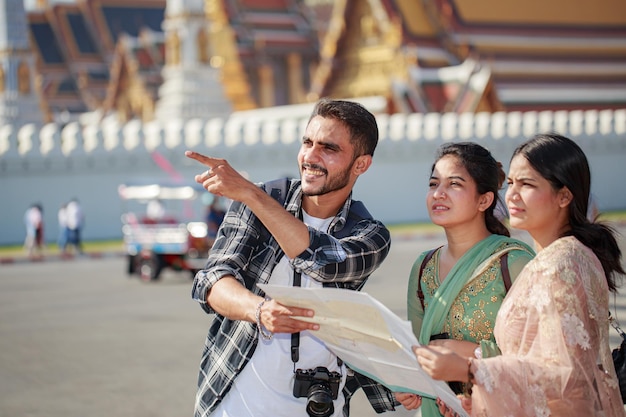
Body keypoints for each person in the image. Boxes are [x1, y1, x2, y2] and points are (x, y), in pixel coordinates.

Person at [185, 98, 396, 417]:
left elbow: (317, 258)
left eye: (329, 148)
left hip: (320, 405)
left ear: (360, 165)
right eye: (307, 142)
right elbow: (211, 281)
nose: (310, 156)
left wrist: (252, 194)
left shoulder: (369, 234)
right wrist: (259, 310)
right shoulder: (257, 201)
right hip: (233, 405)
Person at [414, 133, 626, 417]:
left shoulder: (561, 264)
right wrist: (477, 395)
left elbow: (566, 379)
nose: (511, 194)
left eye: (527, 184)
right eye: (511, 183)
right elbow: (533, 363)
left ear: (564, 195)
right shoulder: (556, 257)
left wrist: (469, 368)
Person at [395, 142, 535, 416]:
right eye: (434, 184)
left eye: (454, 185)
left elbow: (539, 359)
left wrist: (465, 353)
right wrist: (410, 383)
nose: (439, 194)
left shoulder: (513, 263)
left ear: (484, 200)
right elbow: (418, 351)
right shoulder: (423, 267)